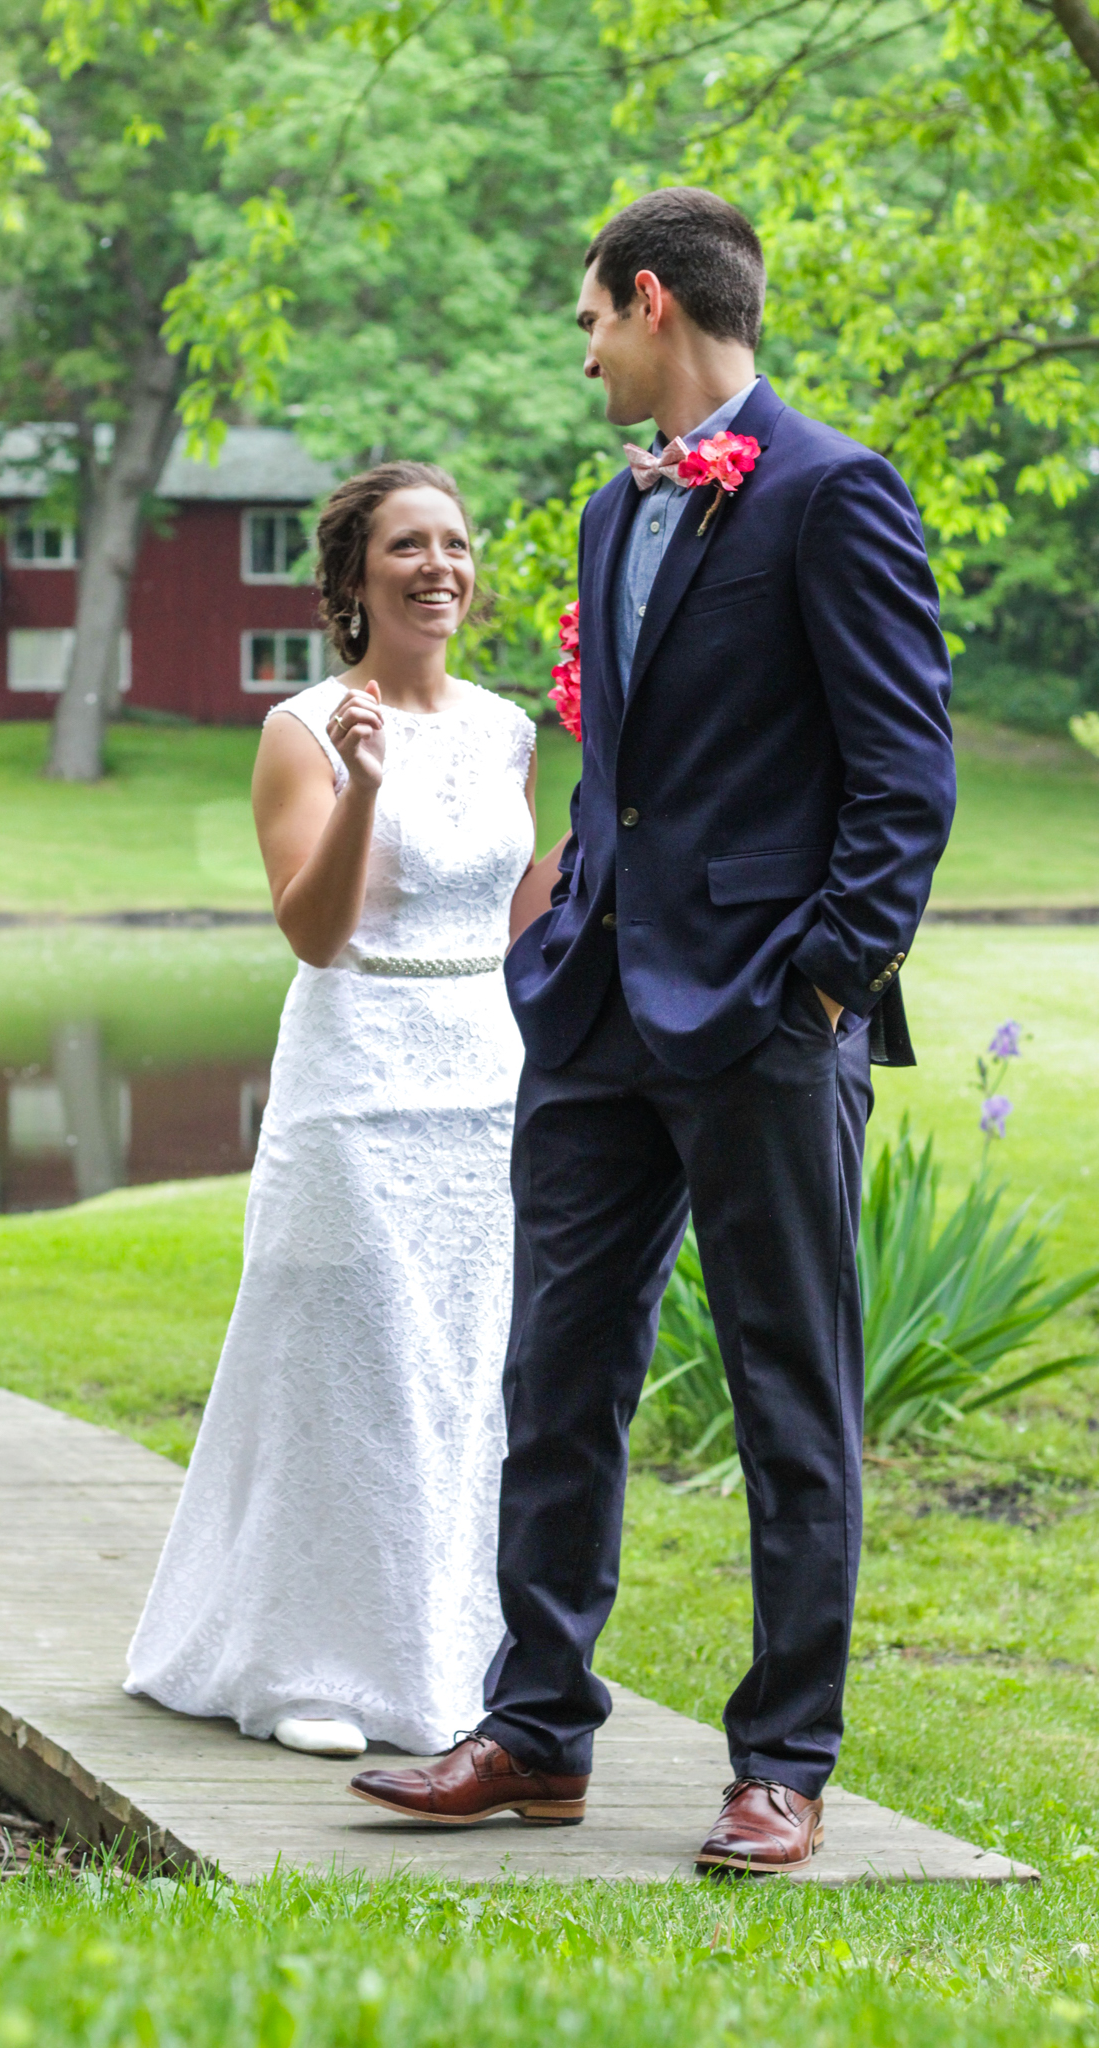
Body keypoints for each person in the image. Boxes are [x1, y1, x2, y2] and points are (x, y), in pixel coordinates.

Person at [348, 188, 956, 1866]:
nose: (584, 352)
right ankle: (535, 1732)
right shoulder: (618, 517)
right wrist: (565, 909)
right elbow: (628, 766)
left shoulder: (834, 493)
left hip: (763, 1023)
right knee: (553, 1374)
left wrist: (820, 983)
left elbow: (904, 782)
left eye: (589, 322)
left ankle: (783, 1764)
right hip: (597, 1018)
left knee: (785, 1392)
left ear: (646, 303)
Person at [126, 461, 560, 1759]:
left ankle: (451, 1656)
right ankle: (308, 1667)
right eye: (407, 547)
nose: (439, 566)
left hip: (485, 1080)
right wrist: (366, 785)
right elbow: (313, 933)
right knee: (349, 1361)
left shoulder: (504, 729)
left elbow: (509, 923)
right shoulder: (301, 729)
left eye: (456, 544)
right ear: (354, 577)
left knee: (458, 1368)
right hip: (357, 1081)